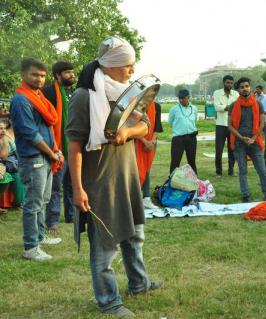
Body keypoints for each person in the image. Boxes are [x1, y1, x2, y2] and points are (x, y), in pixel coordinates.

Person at [66, 36, 161, 318]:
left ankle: (139, 284)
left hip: (127, 175)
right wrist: (78, 189)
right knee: (105, 247)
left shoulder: (126, 92)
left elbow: (143, 125)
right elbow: (73, 147)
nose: (132, 71)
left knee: (134, 237)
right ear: (111, 66)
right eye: (128, 66)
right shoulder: (84, 97)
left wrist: (127, 132)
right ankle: (109, 301)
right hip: (99, 182)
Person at [10, 58, 64, 261]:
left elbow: (48, 128)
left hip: (46, 156)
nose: (40, 79)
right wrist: (51, 153)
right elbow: (29, 133)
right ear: (23, 76)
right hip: (34, 158)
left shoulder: (38, 96)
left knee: (44, 200)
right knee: (33, 203)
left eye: (42, 75)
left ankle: (40, 236)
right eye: (35, 75)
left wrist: (56, 149)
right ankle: (31, 247)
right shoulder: (21, 99)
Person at [42, 61, 76, 232]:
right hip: (57, 145)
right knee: (56, 186)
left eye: (72, 72)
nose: (71, 75)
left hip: (73, 146)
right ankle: (52, 220)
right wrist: (53, 146)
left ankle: (71, 215)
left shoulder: (73, 93)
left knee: (71, 183)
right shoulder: (48, 92)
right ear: (57, 75)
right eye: (67, 72)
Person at [228, 77, 266, 202]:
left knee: (262, 170)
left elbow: (262, 123)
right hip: (239, 142)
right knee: (243, 170)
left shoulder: (258, 104)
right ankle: (245, 195)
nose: (244, 89)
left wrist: (253, 138)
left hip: (255, 141)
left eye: (246, 86)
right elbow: (230, 125)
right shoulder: (233, 106)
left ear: (250, 87)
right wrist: (241, 138)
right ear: (238, 90)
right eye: (242, 87)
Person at [136, 100, 162, 209]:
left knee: (147, 169)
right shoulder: (136, 105)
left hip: (152, 142)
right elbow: (132, 125)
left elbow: (157, 126)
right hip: (137, 141)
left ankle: (146, 198)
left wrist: (152, 141)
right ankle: (135, 198)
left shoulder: (157, 106)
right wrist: (144, 141)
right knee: (136, 170)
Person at [213, 75, 239, 178]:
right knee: (219, 149)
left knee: (232, 148)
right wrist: (228, 107)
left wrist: (226, 107)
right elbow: (217, 107)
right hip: (220, 125)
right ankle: (218, 172)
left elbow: (237, 108)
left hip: (232, 125)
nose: (229, 85)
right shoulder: (217, 93)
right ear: (224, 82)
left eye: (231, 83)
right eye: (228, 83)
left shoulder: (236, 94)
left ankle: (231, 171)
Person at [168, 89, 198, 174]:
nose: (181, 100)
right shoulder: (174, 109)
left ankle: (194, 182)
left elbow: (194, 120)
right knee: (175, 161)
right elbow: (170, 122)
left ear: (188, 97)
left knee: (192, 161)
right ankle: (172, 182)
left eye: (183, 98)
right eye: (179, 98)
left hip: (191, 138)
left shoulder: (194, 108)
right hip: (178, 139)